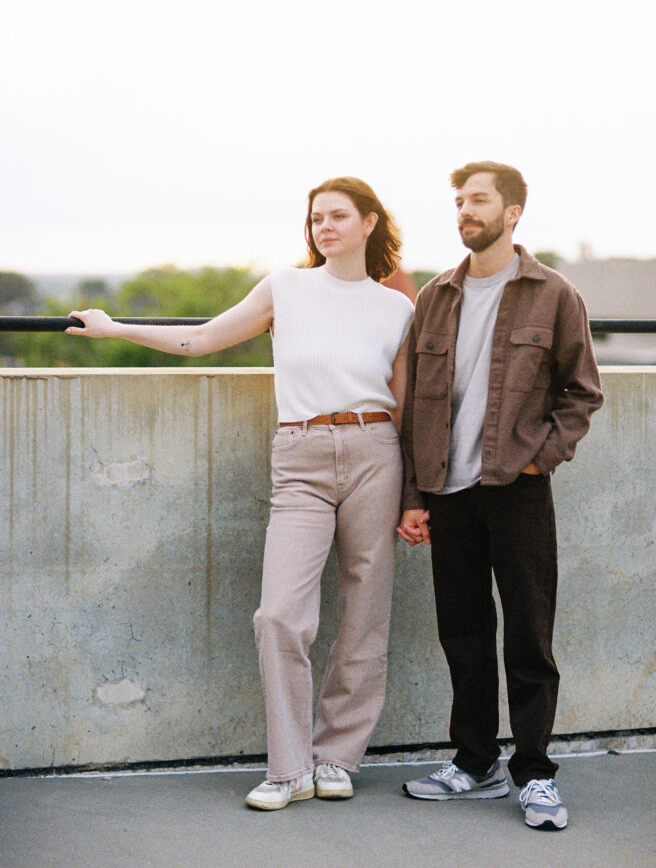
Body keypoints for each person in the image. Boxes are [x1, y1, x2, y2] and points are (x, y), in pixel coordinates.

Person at [67, 177, 414, 811]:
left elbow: (409, 405)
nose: (323, 227)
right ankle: (288, 767)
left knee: (367, 612)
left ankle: (337, 757)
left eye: (338, 216)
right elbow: (199, 338)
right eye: (315, 219)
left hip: (375, 452)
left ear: (369, 223)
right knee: (278, 614)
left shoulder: (397, 309)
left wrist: (417, 494)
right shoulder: (287, 287)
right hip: (300, 455)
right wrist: (113, 327)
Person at [397, 161, 603, 830]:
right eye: (459, 201)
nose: (464, 211)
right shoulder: (435, 296)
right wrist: (415, 495)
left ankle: (535, 774)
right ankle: (475, 762)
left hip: (515, 489)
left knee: (527, 635)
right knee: (462, 632)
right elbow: (413, 411)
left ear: (512, 212)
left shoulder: (553, 293)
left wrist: (538, 461)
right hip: (447, 491)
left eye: (477, 200)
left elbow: (581, 393)